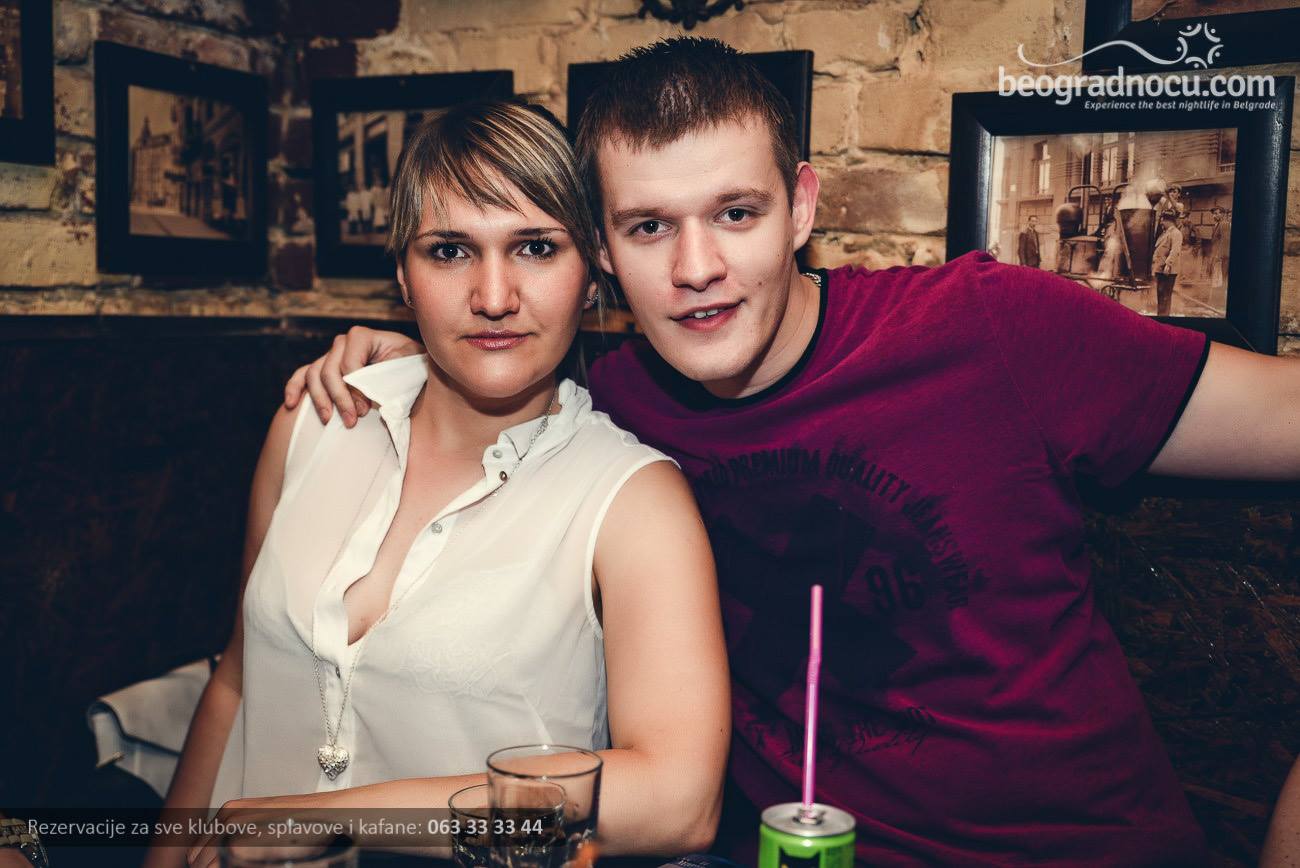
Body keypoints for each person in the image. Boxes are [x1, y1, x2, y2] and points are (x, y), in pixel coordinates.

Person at [285, 38, 1300, 866]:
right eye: (649, 227)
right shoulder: (613, 406)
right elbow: (496, 348)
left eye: (736, 214)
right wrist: (413, 360)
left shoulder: (988, 327)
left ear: (802, 207)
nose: (697, 269)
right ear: (602, 250)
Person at [150, 100, 730, 868]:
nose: (493, 296)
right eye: (450, 251)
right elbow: (236, 681)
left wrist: (336, 818)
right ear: (403, 274)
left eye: (535, 248)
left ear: (592, 274)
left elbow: (677, 800)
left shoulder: (632, 500)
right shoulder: (315, 423)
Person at [1153, 211, 1183, 316]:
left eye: (1162, 220)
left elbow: (1175, 250)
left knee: (1165, 295)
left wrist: (1168, 264)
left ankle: (1164, 317)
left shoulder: (1176, 233)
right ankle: (1161, 315)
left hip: (1167, 270)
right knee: (1161, 295)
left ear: (1168, 221)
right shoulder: (1165, 233)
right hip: (1160, 268)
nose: (1161, 223)